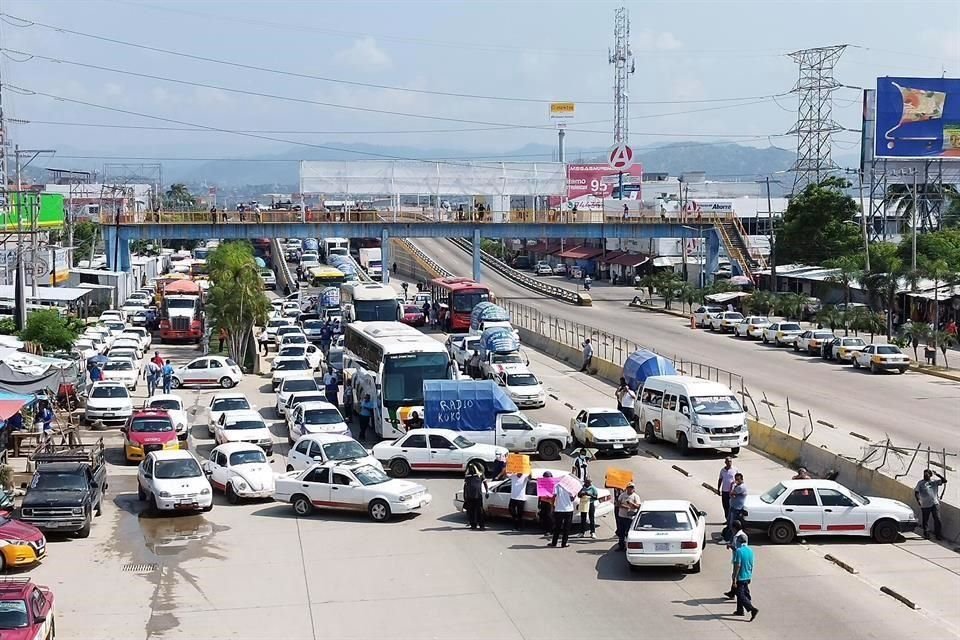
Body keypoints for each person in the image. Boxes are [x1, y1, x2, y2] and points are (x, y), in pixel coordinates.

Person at [915, 469, 947, 540]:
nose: (925, 476)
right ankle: (926, 533)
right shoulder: (920, 483)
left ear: (930, 475)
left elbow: (945, 481)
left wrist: (938, 474)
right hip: (925, 504)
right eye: (924, 474)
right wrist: (918, 500)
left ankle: (938, 534)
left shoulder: (934, 482)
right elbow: (916, 492)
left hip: (935, 503)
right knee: (925, 520)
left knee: (937, 519)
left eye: (927, 474)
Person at [732, 536, 759, 621]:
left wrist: (734, 577)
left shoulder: (739, 551)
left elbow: (738, 565)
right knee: (743, 592)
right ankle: (740, 610)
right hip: (748, 575)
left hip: (741, 576)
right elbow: (752, 564)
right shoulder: (750, 551)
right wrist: (750, 575)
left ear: (739, 542)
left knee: (739, 593)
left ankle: (751, 609)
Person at [724, 520, 749, 599]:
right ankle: (732, 592)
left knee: (737, 576)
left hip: (740, 559)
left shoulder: (742, 536)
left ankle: (744, 596)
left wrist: (731, 546)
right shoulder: (736, 535)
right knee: (735, 575)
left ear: (735, 528)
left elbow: (740, 549)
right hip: (736, 558)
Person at [549, 480, 575, 547]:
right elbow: (572, 499)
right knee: (566, 528)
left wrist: (552, 506)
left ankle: (554, 543)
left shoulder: (557, 486)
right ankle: (564, 543)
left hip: (559, 509)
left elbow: (553, 497)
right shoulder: (571, 487)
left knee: (557, 527)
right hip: (569, 509)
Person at [615, 482, 641, 550]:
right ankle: (621, 546)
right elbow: (617, 503)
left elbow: (638, 506)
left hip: (630, 517)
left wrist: (632, 504)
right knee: (621, 532)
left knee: (628, 533)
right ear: (627, 488)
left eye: (632, 488)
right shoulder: (622, 495)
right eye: (629, 487)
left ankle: (627, 546)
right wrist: (625, 506)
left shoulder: (636, 496)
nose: (630, 489)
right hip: (622, 516)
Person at [463, 462, 488, 531]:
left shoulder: (480, 475)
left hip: (478, 496)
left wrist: (487, 491)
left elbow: (485, 483)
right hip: (470, 497)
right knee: (471, 511)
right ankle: (473, 525)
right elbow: (465, 487)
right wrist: (465, 496)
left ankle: (481, 525)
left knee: (479, 511)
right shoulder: (467, 477)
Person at [726, 473, 748, 541]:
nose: (736, 481)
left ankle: (730, 539)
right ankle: (726, 536)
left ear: (742, 479)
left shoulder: (741, 487)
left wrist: (733, 491)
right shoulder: (737, 486)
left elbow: (731, 493)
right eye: (736, 479)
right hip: (733, 506)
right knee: (729, 522)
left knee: (732, 525)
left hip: (736, 508)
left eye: (738, 479)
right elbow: (731, 494)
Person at [717, 457, 738, 522]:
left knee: (731, 507)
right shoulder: (722, 470)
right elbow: (720, 479)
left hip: (732, 492)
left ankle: (732, 520)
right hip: (724, 491)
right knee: (725, 506)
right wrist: (718, 489)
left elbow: (738, 479)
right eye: (728, 461)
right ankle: (727, 519)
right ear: (725, 462)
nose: (729, 463)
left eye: (730, 461)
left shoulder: (735, 469)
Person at [538, 471, 554, 536]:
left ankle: (549, 530)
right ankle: (544, 528)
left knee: (549, 516)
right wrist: (539, 502)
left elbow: (554, 494)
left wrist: (550, 497)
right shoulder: (542, 483)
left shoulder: (553, 484)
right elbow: (540, 493)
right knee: (543, 515)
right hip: (543, 501)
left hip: (549, 502)